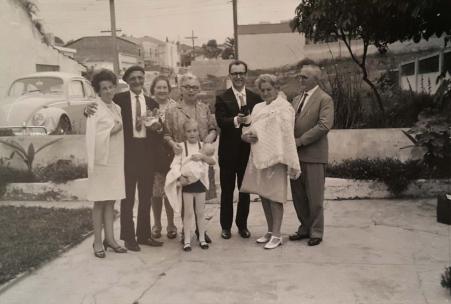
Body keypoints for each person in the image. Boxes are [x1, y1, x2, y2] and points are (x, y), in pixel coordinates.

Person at [85, 65, 163, 251]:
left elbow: (160, 130)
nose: (137, 81)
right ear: (127, 82)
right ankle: (128, 237)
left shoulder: (153, 103)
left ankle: (143, 235)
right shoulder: (119, 100)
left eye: (140, 77)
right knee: (127, 198)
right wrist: (86, 108)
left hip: (146, 153)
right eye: (133, 78)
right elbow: (99, 107)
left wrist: (158, 127)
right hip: (126, 154)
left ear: (144, 79)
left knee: (145, 197)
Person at [241, 74, 300, 249]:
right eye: (263, 90)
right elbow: (250, 129)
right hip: (259, 156)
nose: (266, 93)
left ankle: (277, 234)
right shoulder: (258, 107)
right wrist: (247, 136)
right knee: (264, 195)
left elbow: (284, 131)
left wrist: (261, 135)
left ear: (276, 89)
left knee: (275, 197)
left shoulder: (284, 107)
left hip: (276, 157)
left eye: (269, 89)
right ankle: (269, 230)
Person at [164, 73, 217, 243]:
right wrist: (173, 144)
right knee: (185, 196)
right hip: (183, 160)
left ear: (199, 89)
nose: (191, 90)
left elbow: (213, 129)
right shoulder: (172, 110)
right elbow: (166, 134)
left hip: (200, 159)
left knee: (200, 195)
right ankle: (186, 231)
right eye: (187, 87)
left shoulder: (204, 108)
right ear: (180, 89)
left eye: (195, 87)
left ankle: (200, 230)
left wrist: (210, 137)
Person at [215, 60, 263, 239]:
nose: (238, 76)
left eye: (241, 73)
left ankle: (242, 225)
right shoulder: (222, 97)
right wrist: (237, 120)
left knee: (245, 191)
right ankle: (225, 227)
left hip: (247, 153)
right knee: (227, 191)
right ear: (229, 76)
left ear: (246, 75)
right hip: (227, 153)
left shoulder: (255, 98)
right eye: (234, 73)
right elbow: (221, 121)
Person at [289, 60, 334, 247]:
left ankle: (316, 231)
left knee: (315, 197)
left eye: (304, 77)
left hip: (314, 156)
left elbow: (324, 125)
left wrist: (299, 141)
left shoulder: (325, 99)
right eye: (299, 76)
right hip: (295, 157)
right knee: (298, 196)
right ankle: (304, 227)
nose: (300, 79)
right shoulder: (296, 99)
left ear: (316, 79)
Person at [85, 69, 127, 258]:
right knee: (100, 202)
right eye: (104, 88)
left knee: (111, 200)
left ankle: (110, 238)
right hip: (101, 161)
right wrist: (112, 130)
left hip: (115, 161)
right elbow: (92, 137)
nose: (109, 91)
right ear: (98, 91)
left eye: (111, 87)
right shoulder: (94, 108)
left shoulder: (116, 108)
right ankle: (97, 242)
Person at [164, 120, 216, 251]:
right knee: (187, 213)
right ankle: (187, 240)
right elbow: (175, 165)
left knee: (200, 212)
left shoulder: (203, 146)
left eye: (195, 130)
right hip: (187, 185)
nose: (192, 133)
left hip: (200, 184)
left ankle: (202, 238)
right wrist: (179, 177)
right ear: (184, 133)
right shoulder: (182, 147)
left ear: (199, 132)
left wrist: (203, 157)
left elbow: (213, 161)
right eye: (189, 131)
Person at [149, 76, 178, 240]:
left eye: (164, 87)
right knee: (155, 191)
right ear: (153, 89)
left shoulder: (175, 107)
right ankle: (157, 224)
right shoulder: (148, 106)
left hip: (171, 152)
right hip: (152, 152)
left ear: (169, 89)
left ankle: (171, 224)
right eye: (158, 87)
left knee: (169, 188)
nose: (161, 90)